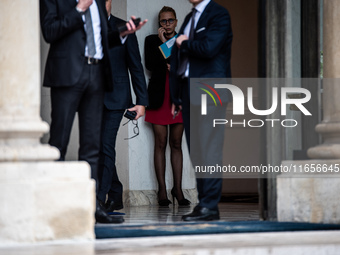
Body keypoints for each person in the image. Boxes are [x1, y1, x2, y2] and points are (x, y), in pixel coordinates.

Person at [40, 0, 147, 223]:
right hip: (67, 74)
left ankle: (92, 207)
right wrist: (79, 9)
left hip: (97, 77)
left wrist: (124, 32)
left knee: (93, 147)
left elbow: (102, 38)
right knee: (59, 141)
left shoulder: (98, 3)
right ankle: (53, 206)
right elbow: (50, 31)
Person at [169, 0, 233, 221]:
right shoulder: (189, 18)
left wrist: (184, 42)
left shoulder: (219, 14)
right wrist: (176, 96)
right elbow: (180, 61)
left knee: (210, 149)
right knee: (196, 151)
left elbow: (208, 49)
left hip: (211, 91)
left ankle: (209, 205)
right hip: (188, 93)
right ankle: (204, 203)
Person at [97, 0, 148, 212]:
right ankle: (116, 193)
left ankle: (98, 200)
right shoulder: (86, 26)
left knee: (105, 146)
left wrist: (142, 101)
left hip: (116, 98)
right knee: (100, 147)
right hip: (91, 97)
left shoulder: (124, 28)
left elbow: (136, 66)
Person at [144, 6, 190, 207]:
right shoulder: (151, 41)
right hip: (158, 96)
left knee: (177, 143)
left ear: (176, 21)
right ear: (159, 23)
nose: (167, 24)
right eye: (163, 21)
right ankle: (162, 191)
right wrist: (164, 44)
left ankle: (177, 189)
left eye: (170, 20)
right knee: (160, 143)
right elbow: (151, 65)